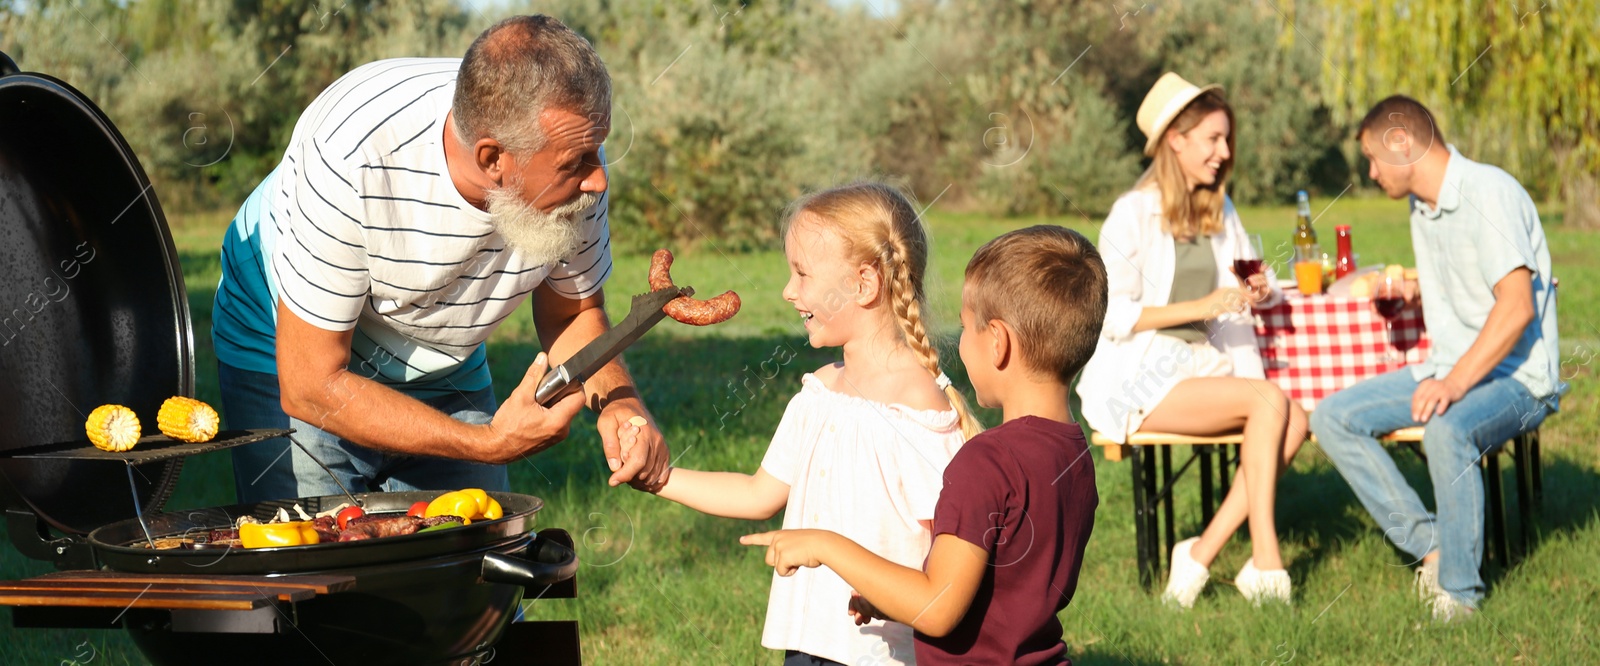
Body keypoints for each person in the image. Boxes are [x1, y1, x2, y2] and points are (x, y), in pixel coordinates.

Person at [211, 15, 669, 504]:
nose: (598, 180)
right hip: (294, 349)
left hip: (439, 349)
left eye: (597, 152)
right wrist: (488, 443)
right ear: (493, 159)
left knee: (469, 562)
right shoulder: (352, 154)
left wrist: (620, 405)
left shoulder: (572, 161)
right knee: (318, 564)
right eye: (576, 162)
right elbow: (310, 384)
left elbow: (572, 313)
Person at [635, 182, 981, 666]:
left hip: (884, 655)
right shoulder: (819, 393)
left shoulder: (918, 410)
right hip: (806, 648)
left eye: (802, 274)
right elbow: (759, 494)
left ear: (864, 284)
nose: (787, 291)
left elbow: (953, 564)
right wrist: (657, 478)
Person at [741, 225, 1104, 666]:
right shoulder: (1073, 453)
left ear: (998, 342)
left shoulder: (986, 462)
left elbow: (938, 609)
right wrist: (890, 599)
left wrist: (824, 544)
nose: (959, 342)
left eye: (966, 327)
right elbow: (994, 589)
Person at [1311, 95, 1562, 621]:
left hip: (1520, 376)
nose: (1372, 172)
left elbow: (1515, 308)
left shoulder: (1487, 192)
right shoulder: (1423, 205)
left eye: (1373, 158)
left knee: (1445, 427)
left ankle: (1461, 594)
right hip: (1450, 363)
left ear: (1402, 142)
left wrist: (1452, 386)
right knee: (1332, 417)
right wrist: (1418, 294)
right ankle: (1432, 545)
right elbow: (1472, 287)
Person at [1076, 72, 1307, 607]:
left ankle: (1201, 552)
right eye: (1213, 139)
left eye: (1227, 140)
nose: (1225, 152)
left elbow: (1240, 298)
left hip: (1203, 368)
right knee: (1273, 404)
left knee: (1295, 419)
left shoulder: (1220, 211)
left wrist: (1259, 290)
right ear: (1175, 141)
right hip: (1141, 377)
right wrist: (1199, 308)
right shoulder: (1132, 214)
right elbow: (1107, 314)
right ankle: (1266, 558)